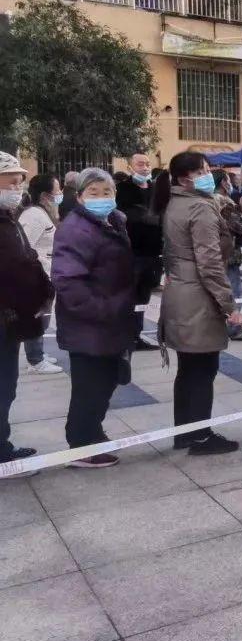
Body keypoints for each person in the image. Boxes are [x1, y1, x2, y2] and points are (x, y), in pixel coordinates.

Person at [155, 153, 242, 456]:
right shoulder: (199, 206)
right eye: (202, 170)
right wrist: (229, 304)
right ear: (184, 178)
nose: (208, 174)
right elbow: (210, 262)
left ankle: (186, 433)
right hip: (198, 297)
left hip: (180, 291)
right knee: (203, 368)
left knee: (189, 369)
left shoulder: (174, 202)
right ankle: (200, 436)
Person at [51, 168, 136, 467]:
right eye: (94, 193)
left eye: (107, 192)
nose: (102, 198)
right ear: (80, 197)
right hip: (89, 322)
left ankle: (93, 432)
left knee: (107, 380)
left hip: (112, 319)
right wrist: (104, 309)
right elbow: (68, 280)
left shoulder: (114, 220)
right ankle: (81, 445)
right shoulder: (75, 229)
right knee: (90, 385)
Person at [0, 152, 52, 471]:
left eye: (20, 181)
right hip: (5, 316)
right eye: (11, 181)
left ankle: (1, 444)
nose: (18, 187)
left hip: (10, 319)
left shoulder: (8, 218)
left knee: (7, 385)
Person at [18, 175, 64, 375]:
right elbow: (24, 247)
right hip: (37, 276)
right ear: (46, 195)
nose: (60, 194)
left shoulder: (44, 212)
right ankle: (35, 360)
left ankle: (38, 354)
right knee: (37, 317)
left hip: (46, 275)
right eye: (58, 190)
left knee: (43, 317)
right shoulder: (34, 216)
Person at [116, 179, 163, 352]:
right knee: (133, 299)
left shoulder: (153, 198)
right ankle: (130, 336)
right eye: (140, 164)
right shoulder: (128, 211)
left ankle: (134, 335)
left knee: (141, 299)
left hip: (150, 257)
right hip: (133, 257)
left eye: (147, 163)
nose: (145, 167)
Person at [213, 170, 242, 343]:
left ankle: (219, 326)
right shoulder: (225, 202)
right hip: (229, 252)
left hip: (215, 252)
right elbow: (238, 228)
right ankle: (234, 327)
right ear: (224, 183)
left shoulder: (208, 200)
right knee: (235, 291)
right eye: (232, 180)